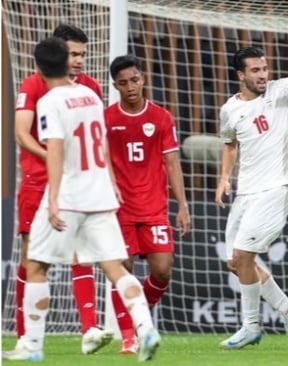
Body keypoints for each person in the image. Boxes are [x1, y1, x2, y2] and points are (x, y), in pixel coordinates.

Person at [3, 37, 160, 362]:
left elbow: (56, 151)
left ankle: (31, 346)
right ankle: (145, 328)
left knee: (35, 265)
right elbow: (102, 144)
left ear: (39, 68)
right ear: (65, 62)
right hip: (100, 193)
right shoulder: (89, 95)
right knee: (116, 268)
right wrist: (112, 184)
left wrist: (56, 198)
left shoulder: (50, 101)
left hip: (71, 194)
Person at [214, 46, 288, 350]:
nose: (263, 75)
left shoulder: (281, 90)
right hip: (246, 192)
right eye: (255, 70)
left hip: (276, 189)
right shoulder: (230, 109)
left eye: (264, 68)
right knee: (236, 262)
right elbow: (229, 145)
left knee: (243, 256)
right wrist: (224, 178)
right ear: (240, 75)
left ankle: (251, 326)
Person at [8, 24, 111, 356]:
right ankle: (26, 336)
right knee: (31, 257)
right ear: (58, 53)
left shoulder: (91, 87)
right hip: (39, 181)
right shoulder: (34, 85)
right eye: (72, 53)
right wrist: (54, 156)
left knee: (81, 252)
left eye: (83, 53)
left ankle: (90, 329)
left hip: (76, 183)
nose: (79, 60)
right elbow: (21, 134)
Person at [104, 54, 191, 354]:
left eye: (135, 80)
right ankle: (129, 336)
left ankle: (142, 313)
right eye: (124, 83)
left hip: (154, 209)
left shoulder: (162, 118)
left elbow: (172, 162)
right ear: (116, 86)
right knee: (123, 270)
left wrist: (182, 205)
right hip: (120, 211)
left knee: (163, 270)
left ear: (143, 79)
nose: (131, 87)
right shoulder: (107, 119)